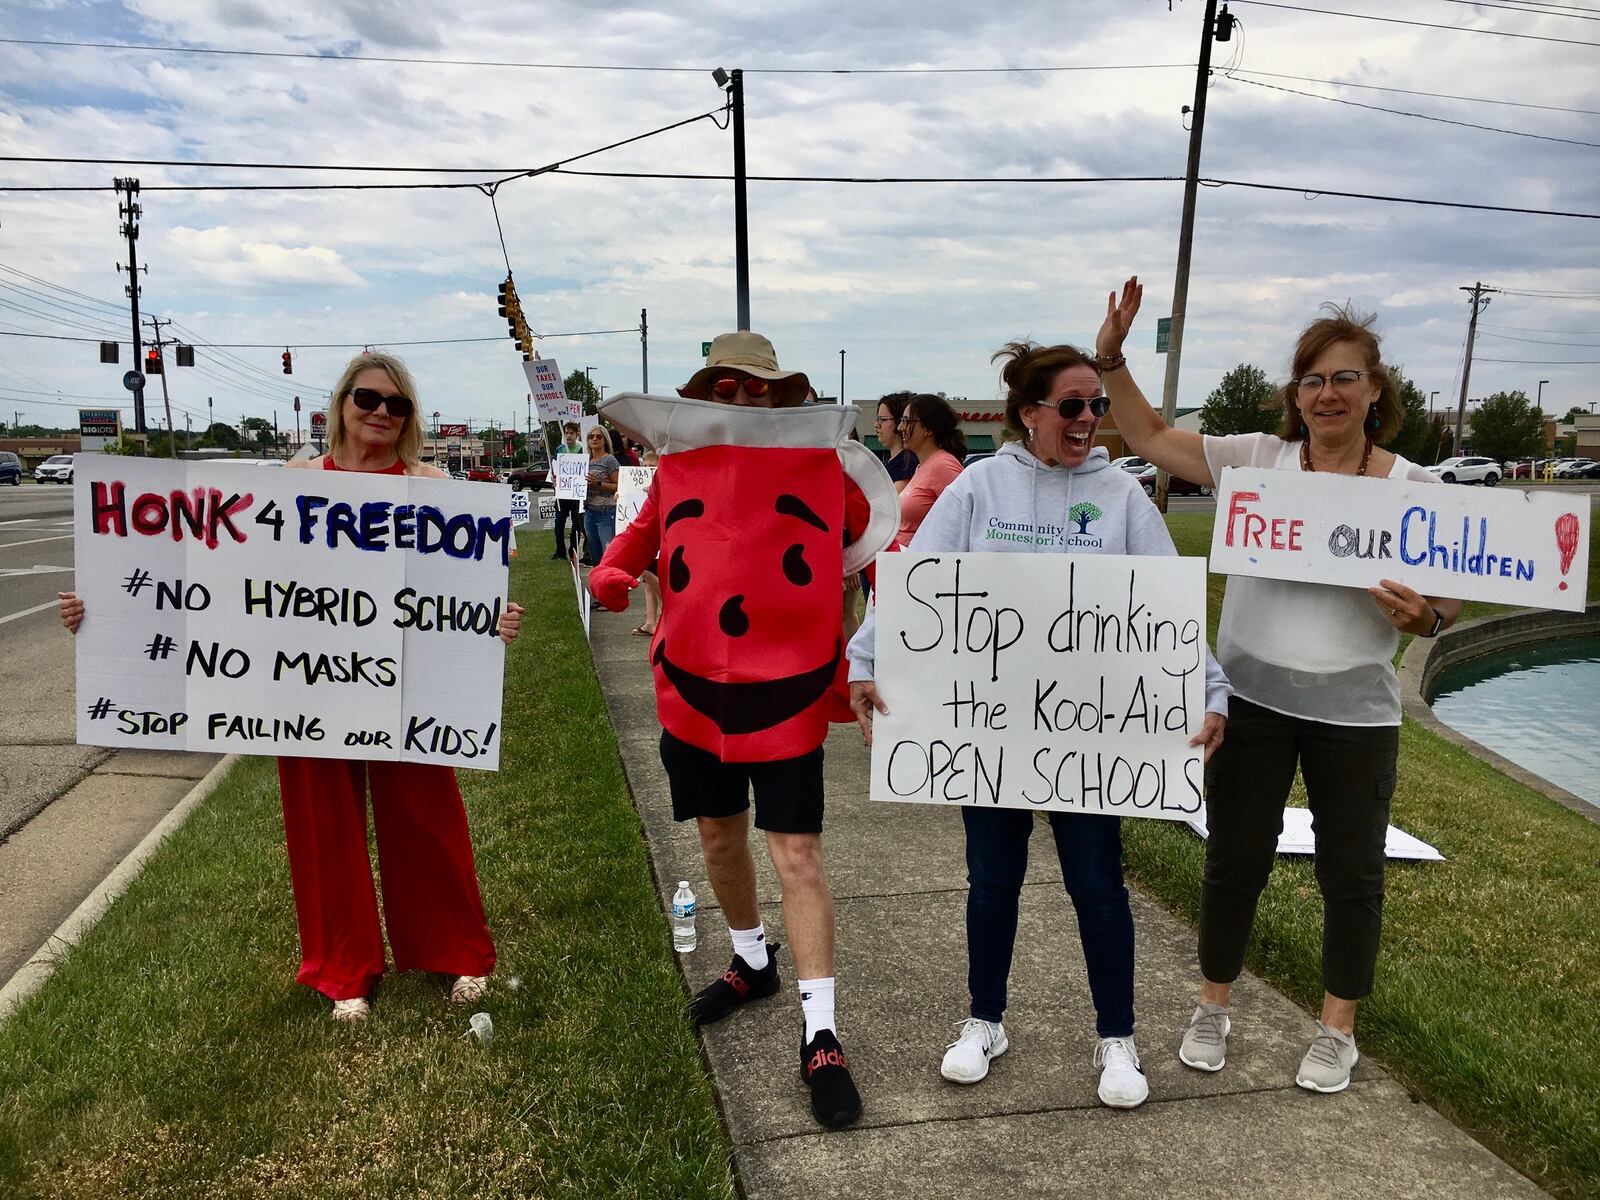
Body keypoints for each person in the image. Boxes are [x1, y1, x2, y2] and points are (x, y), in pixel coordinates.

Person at [58, 351, 524, 1021]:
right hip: (304, 684)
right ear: (341, 403)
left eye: (397, 405)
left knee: (427, 816)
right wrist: (98, 608)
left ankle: (454, 952)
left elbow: (479, 574)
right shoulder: (296, 481)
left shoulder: (431, 485)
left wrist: (493, 619)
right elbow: (203, 570)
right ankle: (345, 970)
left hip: (402, 681)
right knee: (320, 822)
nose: (381, 414)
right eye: (368, 399)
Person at [1095, 278, 1462, 1093]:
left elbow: (1446, 601)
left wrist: (1425, 622)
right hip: (1253, 705)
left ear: (1375, 390)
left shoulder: (1418, 491)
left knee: (1352, 874)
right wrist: (1113, 358)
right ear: (1295, 394)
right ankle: (1212, 1006)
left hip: (1357, 715)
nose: (1327, 394)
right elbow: (1151, 436)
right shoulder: (1255, 461)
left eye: (1344, 378)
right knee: (1232, 862)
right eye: (1312, 379)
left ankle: (1337, 1031)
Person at [847, 340, 1229, 1109]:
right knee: (992, 883)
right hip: (992, 734)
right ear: (1030, 414)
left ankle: (1116, 1037)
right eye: (1074, 406)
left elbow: (1166, 608)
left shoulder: (1120, 498)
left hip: (1088, 737)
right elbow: (916, 584)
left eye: (1098, 406)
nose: (1090, 418)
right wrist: (866, 661)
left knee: (1098, 885)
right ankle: (985, 1020)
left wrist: (1209, 688)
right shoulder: (981, 489)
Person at [588, 329, 898, 1130]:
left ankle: (821, 1031)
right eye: (726, 387)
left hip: (789, 692)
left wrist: (885, 648)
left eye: (757, 388)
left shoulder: (823, 471)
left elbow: (883, 557)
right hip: (692, 692)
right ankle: (750, 958)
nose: (741, 400)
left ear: (782, 396)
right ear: (705, 393)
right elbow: (641, 537)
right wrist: (614, 569)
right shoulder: (676, 471)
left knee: (797, 852)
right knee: (721, 839)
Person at [895, 393, 966, 546]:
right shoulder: (923, 466)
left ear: (928, 429)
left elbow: (965, 517)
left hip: (924, 564)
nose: (900, 427)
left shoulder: (943, 466)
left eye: (907, 421)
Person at [583, 424, 620, 565]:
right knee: (595, 554)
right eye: (591, 436)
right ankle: (599, 582)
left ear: (605, 440)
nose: (594, 439)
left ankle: (610, 581)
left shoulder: (610, 460)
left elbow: (618, 486)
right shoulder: (584, 462)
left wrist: (598, 483)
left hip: (607, 513)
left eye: (599, 436)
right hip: (589, 512)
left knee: (608, 554)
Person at [873, 392, 918, 493]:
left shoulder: (907, 463)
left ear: (900, 422)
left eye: (883, 419)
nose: (876, 425)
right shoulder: (890, 463)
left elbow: (890, 502)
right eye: (877, 419)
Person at [552, 420, 584, 561]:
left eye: (571, 433)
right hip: (562, 493)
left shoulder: (582, 450)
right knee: (559, 524)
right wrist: (554, 479)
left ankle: (573, 550)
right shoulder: (559, 450)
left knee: (576, 526)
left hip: (576, 494)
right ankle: (560, 551)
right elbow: (554, 468)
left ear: (577, 434)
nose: (569, 436)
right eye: (566, 433)